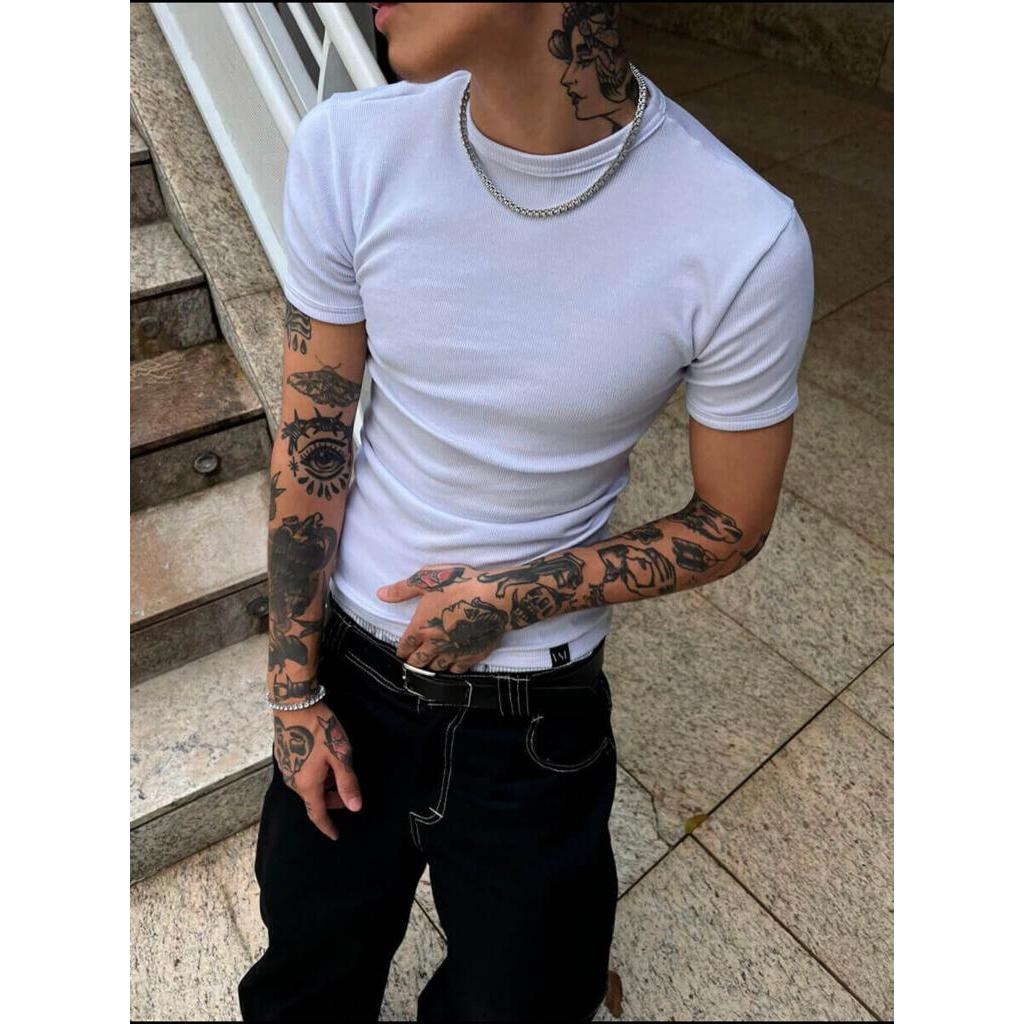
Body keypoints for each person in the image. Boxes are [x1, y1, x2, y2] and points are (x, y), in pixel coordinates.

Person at [238, 2, 813, 1020]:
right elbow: (313, 445)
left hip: (534, 721)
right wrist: (293, 694)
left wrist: (513, 596)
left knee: (523, 1000)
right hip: (348, 674)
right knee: (304, 981)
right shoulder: (350, 148)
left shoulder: (742, 236)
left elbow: (733, 519)